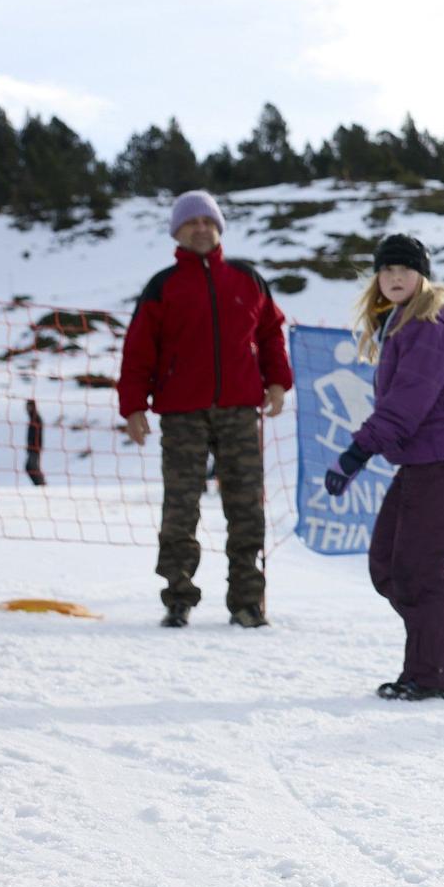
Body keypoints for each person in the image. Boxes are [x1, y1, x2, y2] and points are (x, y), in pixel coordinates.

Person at [323, 234, 444, 700]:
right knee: (387, 565)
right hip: (422, 461)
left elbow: (406, 406)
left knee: (418, 567)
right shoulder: (399, 324)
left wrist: (356, 454)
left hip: (442, 460)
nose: (395, 277)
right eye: (387, 269)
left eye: (405, 269)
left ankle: (431, 675)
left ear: (422, 276)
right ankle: (442, 644)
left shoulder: (428, 329)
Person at [118, 190, 292, 628]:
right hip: (181, 412)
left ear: (219, 228)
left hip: (239, 409)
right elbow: (138, 349)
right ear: (177, 232)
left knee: (246, 507)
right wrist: (133, 406)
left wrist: (276, 382)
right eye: (191, 222)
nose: (200, 228)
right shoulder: (163, 286)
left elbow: (271, 333)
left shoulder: (247, 279)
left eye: (207, 221)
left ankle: (247, 602)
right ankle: (178, 597)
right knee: (180, 507)